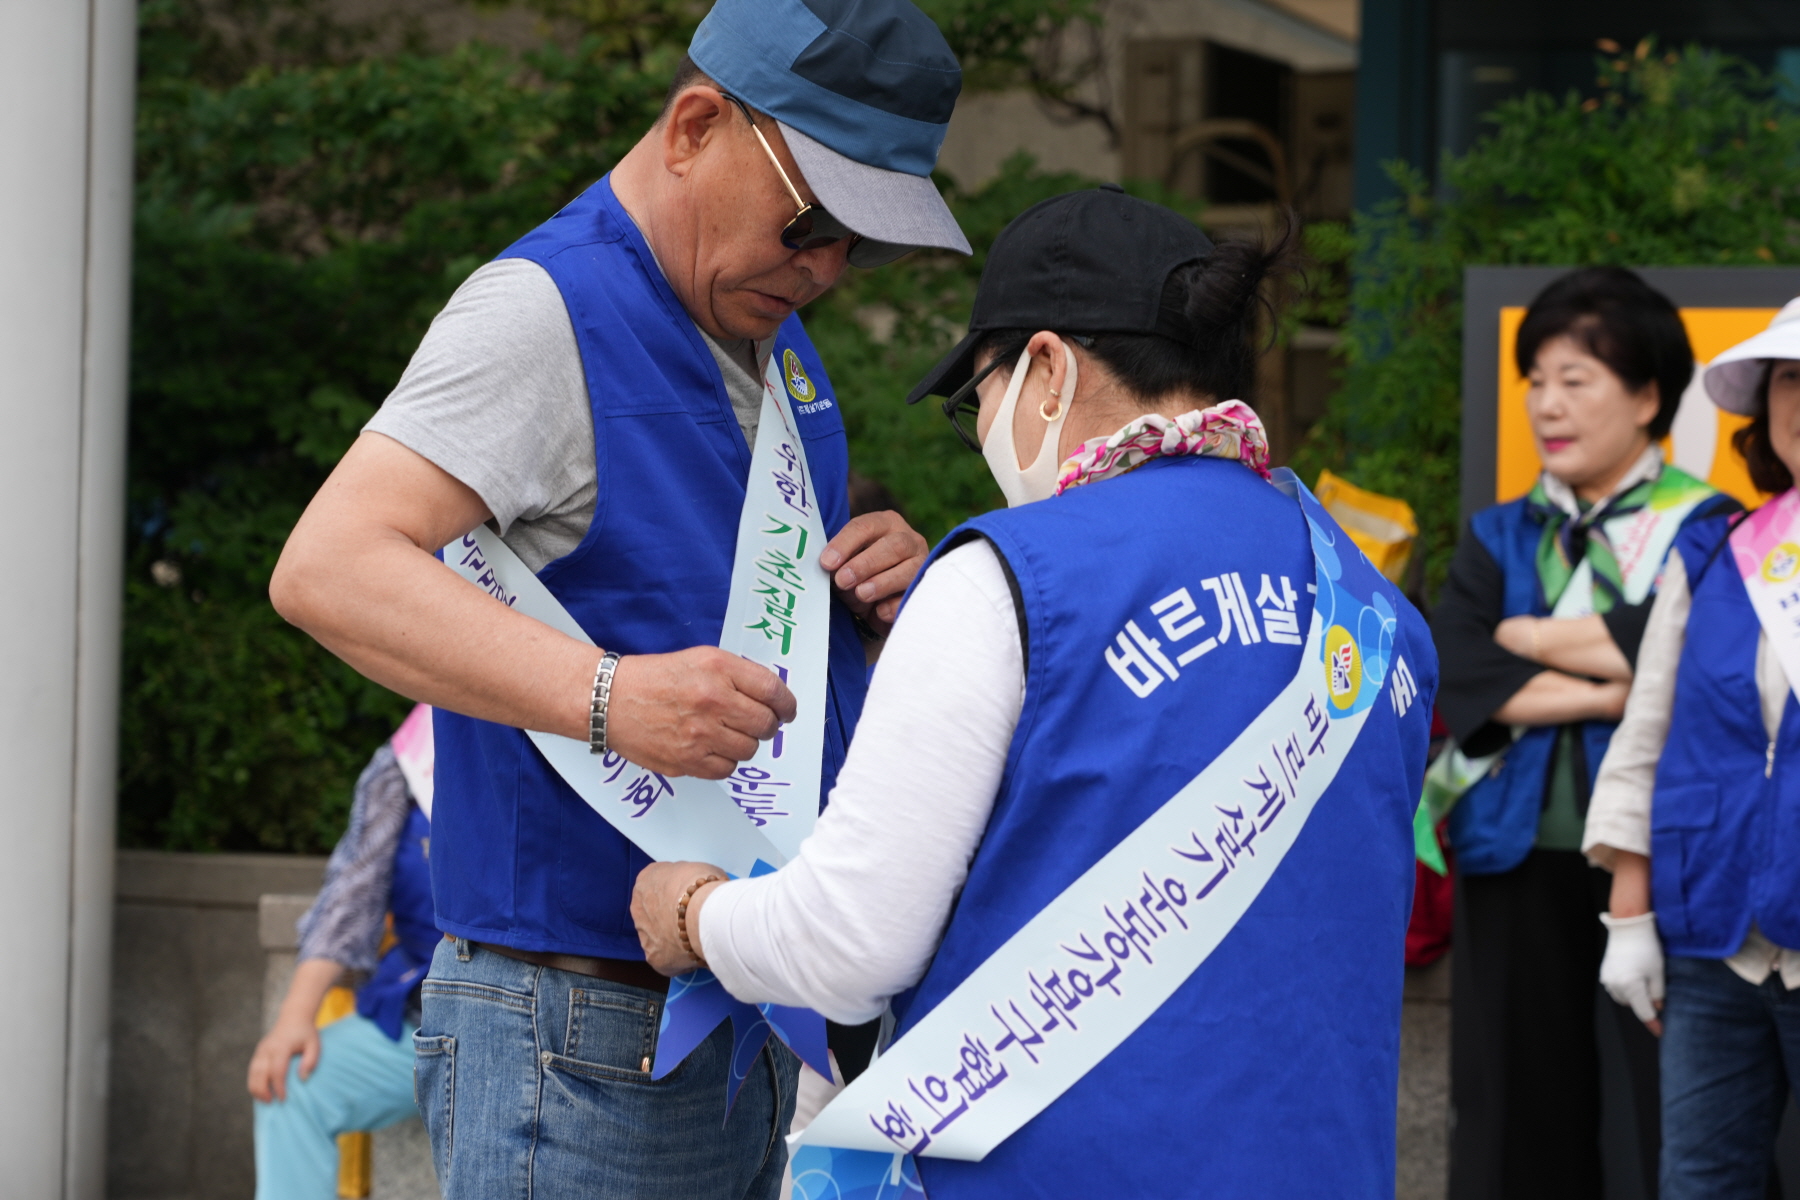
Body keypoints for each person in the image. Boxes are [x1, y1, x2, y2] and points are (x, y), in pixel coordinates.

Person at [267, 0, 967, 1194]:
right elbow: (327, 568)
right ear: (696, 124)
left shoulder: (773, 343)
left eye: (865, 240)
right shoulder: (544, 310)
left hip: (729, 1012)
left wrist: (874, 602)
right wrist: (605, 697)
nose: (828, 268)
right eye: (811, 221)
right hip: (570, 1026)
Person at [630, 186, 1439, 1198]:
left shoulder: (1006, 576)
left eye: (979, 397)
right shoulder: (1374, 614)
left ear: (1047, 371)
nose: (982, 433)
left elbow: (846, 943)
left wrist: (694, 913)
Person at [1429, 266, 1740, 1200]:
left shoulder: (1707, 526)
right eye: (1537, 381)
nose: (1546, 405)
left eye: (1577, 380)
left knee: (1654, 1110)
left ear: (1649, 397)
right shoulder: (1498, 534)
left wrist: (1529, 640)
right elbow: (1467, 668)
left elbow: (1687, 661)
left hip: (1655, 859)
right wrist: (1617, 685)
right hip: (1512, 852)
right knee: (1513, 1105)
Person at [1585, 299, 1800, 1200]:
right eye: (1793, 380)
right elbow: (1649, 735)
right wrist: (1629, 920)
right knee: (1701, 1183)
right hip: (1710, 934)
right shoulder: (1717, 551)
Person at [247, 705, 436, 1200]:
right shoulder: (409, 759)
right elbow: (350, 896)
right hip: (420, 1018)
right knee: (289, 1083)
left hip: (539, 1024)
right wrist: (294, 1018)